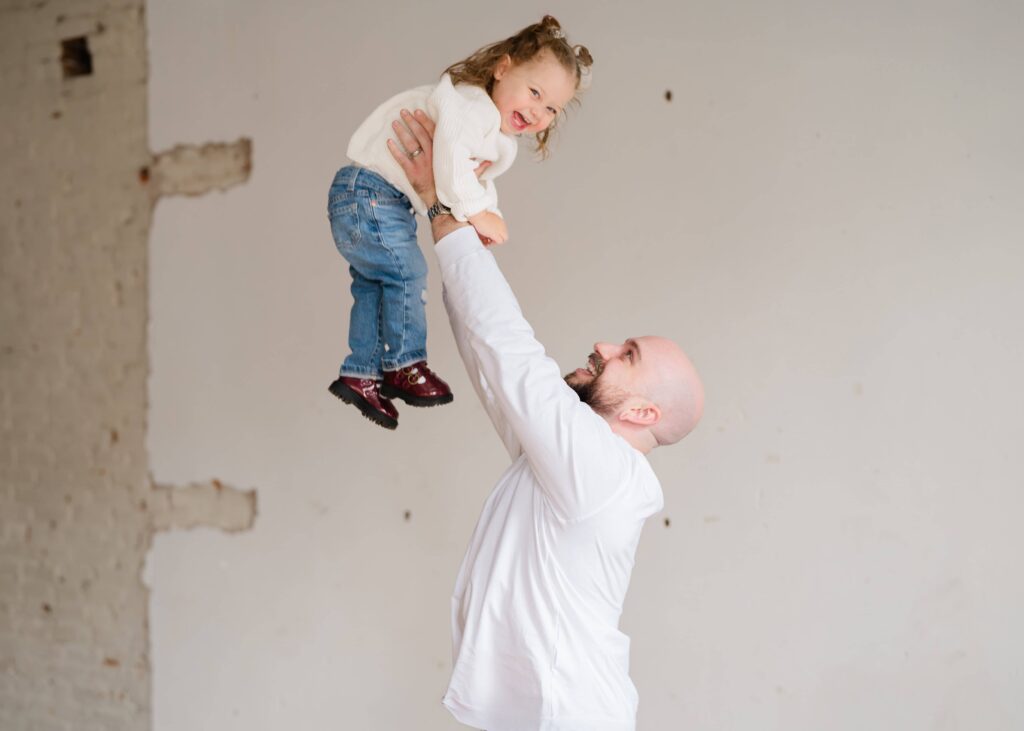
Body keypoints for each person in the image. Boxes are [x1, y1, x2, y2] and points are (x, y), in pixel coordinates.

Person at [387, 110, 706, 730]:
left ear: (643, 411)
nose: (604, 347)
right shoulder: (568, 466)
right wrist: (451, 210)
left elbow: (511, 355)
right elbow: (490, 360)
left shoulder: (604, 472)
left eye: (628, 355)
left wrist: (441, 206)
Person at [326, 15, 594, 430]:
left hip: (368, 196)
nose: (537, 111)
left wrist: (486, 216)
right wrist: (475, 212)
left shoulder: (491, 129)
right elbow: (450, 163)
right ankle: (404, 364)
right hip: (371, 191)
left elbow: (471, 179)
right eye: (534, 92)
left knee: (375, 286)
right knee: (407, 274)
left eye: (551, 108)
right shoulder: (471, 107)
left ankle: (361, 372)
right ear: (502, 69)